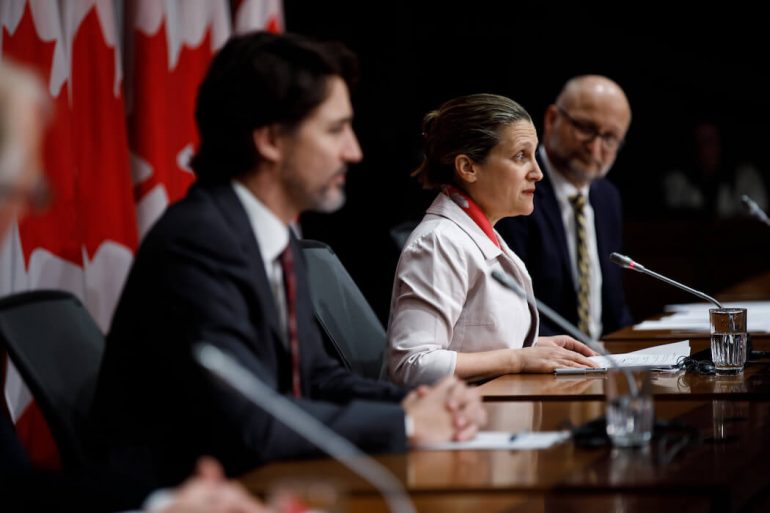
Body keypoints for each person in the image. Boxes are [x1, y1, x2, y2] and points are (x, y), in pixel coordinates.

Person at [90, 31, 486, 488]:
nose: (354, 151)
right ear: (272, 140)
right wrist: (405, 425)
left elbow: (313, 377)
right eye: (335, 130)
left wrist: (420, 401)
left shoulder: (273, 235)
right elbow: (248, 419)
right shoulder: (199, 242)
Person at [0, 59, 270, 512]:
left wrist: (164, 503)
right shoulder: (199, 237)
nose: (22, 215)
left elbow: (13, 489)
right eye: (17, 191)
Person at [387, 93, 597, 386]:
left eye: (535, 155)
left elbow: (472, 342)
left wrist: (531, 348)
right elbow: (411, 364)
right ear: (468, 167)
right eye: (520, 156)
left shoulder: (483, 232)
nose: (537, 173)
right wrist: (517, 358)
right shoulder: (438, 242)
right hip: (457, 424)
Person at [495, 75, 633, 340]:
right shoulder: (516, 189)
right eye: (585, 128)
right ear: (551, 119)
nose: (594, 148)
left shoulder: (607, 197)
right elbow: (510, 309)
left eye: (610, 138)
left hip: (605, 361)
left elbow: (615, 308)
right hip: (545, 360)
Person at [662, 119, 768, 219]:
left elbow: (758, 218)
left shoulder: (746, 176)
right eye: (699, 142)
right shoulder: (677, 180)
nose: (705, 149)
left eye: (710, 140)